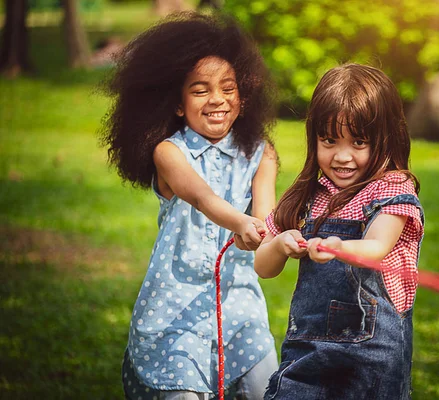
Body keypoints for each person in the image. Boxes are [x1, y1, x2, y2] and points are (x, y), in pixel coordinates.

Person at [99, 12, 279, 400]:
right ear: (177, 104)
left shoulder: (262, 154)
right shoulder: (169, 152)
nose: (217, 99)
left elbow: (266, 219)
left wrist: (274, 237)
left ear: (243, 96)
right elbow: (201, 196)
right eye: (200, 90)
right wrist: (240, 223)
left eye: (228, 88)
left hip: (240, 307)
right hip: (174, 309)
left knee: (268, 390)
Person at [255, 63, 425, 400]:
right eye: (329, 140)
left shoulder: (392, 189)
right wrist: (281, 244)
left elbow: (376, 246)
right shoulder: (308, 195)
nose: (342, 156)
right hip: (308, 351)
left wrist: (338, 245)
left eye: (359, 142)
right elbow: (263, 266)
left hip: (372, 360)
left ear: (386, 140)